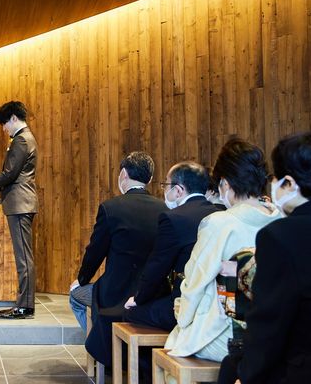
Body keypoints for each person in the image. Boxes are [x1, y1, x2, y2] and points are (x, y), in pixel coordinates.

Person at [164, 138, 281, 365]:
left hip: (227, 332)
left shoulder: (219, 224)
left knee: (176, 343)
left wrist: (182, 317)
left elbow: (195, 282)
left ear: (225, 183)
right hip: (273, 332)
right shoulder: (280, 220)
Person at [218, 132, 311, 384]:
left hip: (298, 369)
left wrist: (246, 376)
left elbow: (269, 322)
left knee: (231, 367)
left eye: (277, 179)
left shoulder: (280, 236)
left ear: (289, 183)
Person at [122, 162, 219, 383]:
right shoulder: (219, 213)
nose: (165, 191)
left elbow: (156, 268)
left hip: (184, 304)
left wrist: (138, 298)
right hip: (214, 304)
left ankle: (150, 375)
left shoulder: (174, 218)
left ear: (178, 190)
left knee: (131, 314)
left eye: (166, 185)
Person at [73, 151, 167, 367]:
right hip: (152, 296)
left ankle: (102, 351)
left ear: (123, 174)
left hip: (114, 295)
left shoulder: (111, 208)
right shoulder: (164, 210)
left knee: (75, 296)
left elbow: (95, 252)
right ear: (150, 178)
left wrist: (82, 279)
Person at [0, 101, 38, 319]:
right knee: (23, 256)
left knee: (23, 258)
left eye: (4, 123)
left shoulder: (21, 139)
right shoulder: (24, 138)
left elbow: (11, 173)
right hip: (21, 203)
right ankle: (24, 304)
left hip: (20, 203)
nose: (4, 128)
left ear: (13, 118)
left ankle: (24, 307)